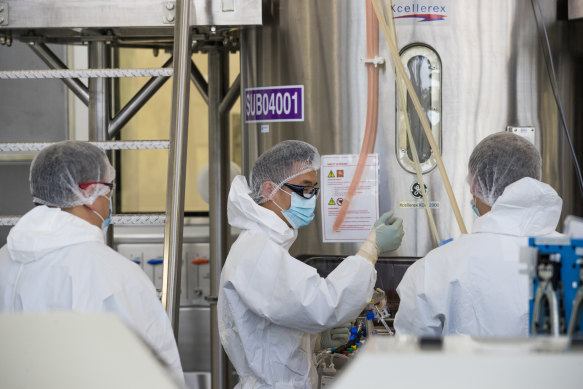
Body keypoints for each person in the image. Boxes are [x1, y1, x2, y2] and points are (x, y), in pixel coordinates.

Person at [218, 140, 404, 389]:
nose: (312, 198)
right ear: (270, 188)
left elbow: (275, 326)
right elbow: (324, 304)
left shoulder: (267, 246)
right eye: (304, 189)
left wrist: (314, 340)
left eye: (314, 190)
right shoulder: (259, 252)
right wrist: (371, 248)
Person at [0, 141, 184, 383]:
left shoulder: (5, 259)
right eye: (109, 188)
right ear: (89, 194)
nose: (109, 199)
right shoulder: (114, 274)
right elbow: (154, 374)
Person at [394, 132, 563, 337]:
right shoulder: (573, 255)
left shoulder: (433, 269)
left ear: (474, 184)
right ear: (535, 178)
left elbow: (412, 357)